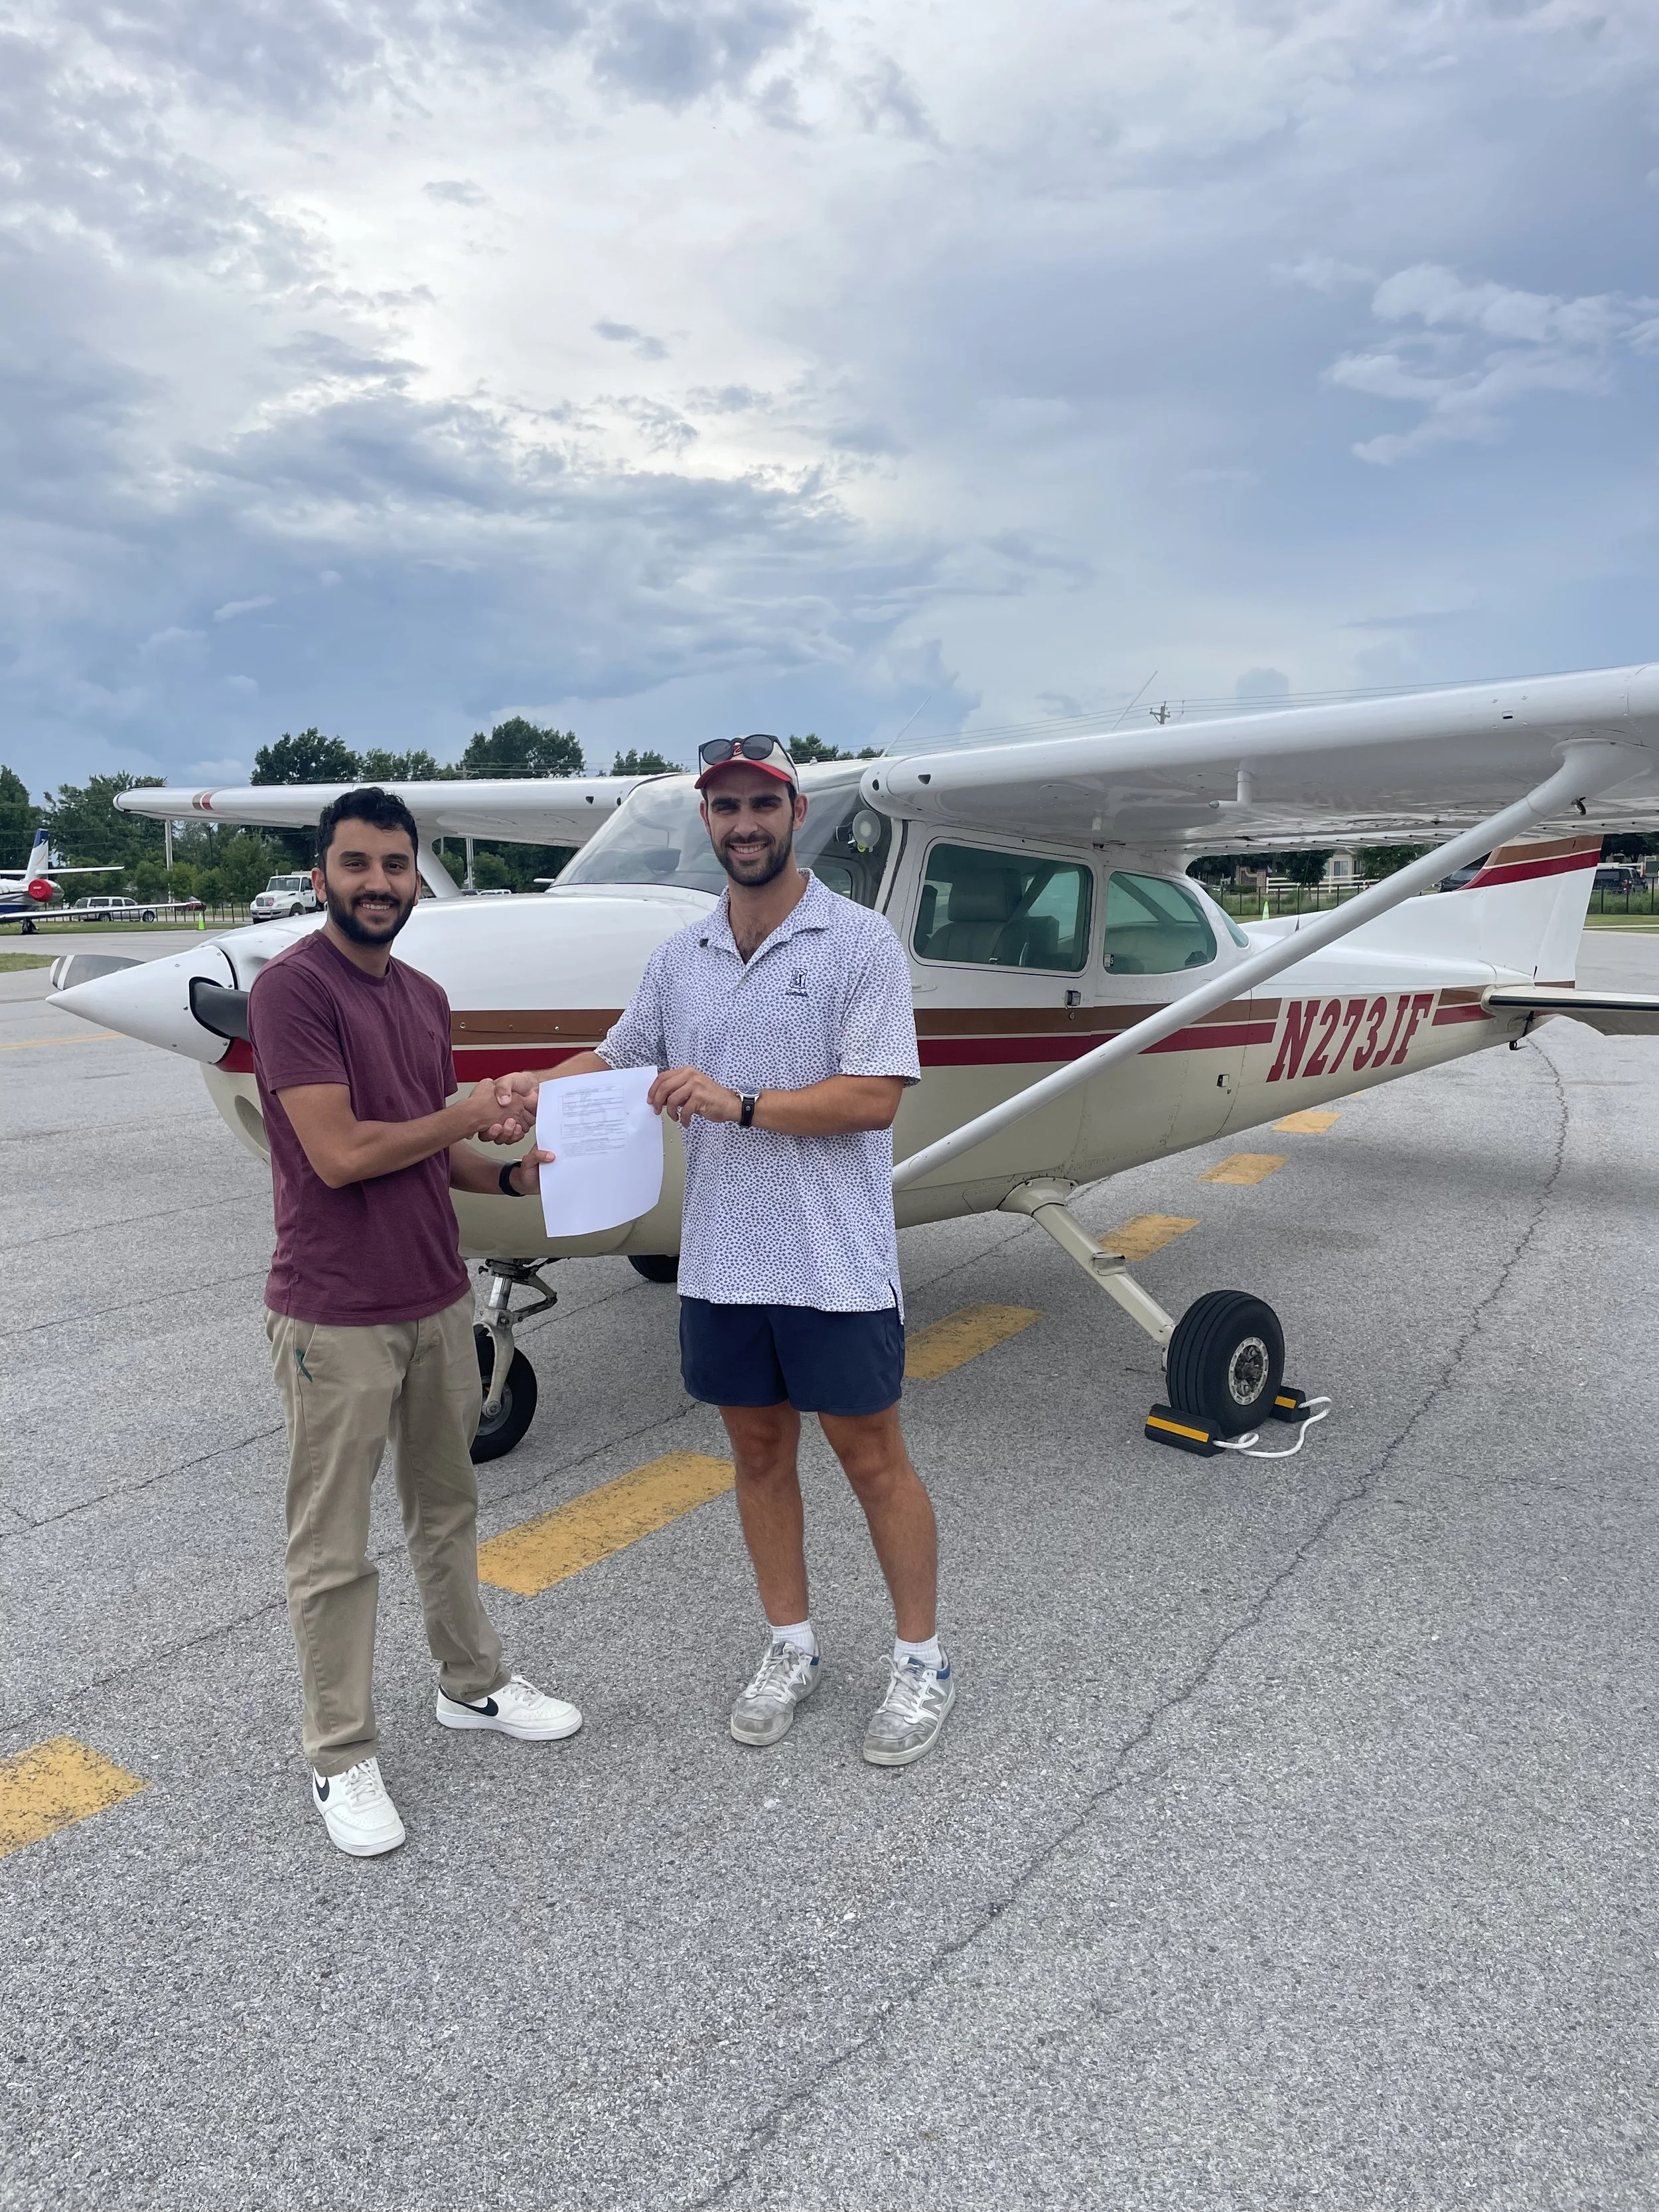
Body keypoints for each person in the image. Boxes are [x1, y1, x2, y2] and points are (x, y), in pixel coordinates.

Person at [494, 735, 954, 1767]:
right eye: (724, 807)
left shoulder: (860, 943)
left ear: (795, 814)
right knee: (756, 1455)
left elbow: (874, 1098)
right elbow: (618, 1057)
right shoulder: (682, 955)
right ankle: (790, 1647)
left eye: (761, 803)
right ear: (708, 822)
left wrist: (735, 1103)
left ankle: (922, 1660)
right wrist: (534, 1090)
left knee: (872, 1458)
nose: (743, 823)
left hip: (832, 1260)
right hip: (721, 1264)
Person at [248, 786, 581, 1860]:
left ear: (414, 876)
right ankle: (340, 1755)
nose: (378, 884)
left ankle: (471, 1684)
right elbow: (342, 1155)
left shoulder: (425, 996)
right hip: (334, 1316)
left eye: (395, 866)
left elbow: (438, 1151)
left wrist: (513, 1173)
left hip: (437, 1299)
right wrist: (469, 1109)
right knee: (333, 1551)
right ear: (322, 876)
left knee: (448, 1512)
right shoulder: (294, 993)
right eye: (357, 865)